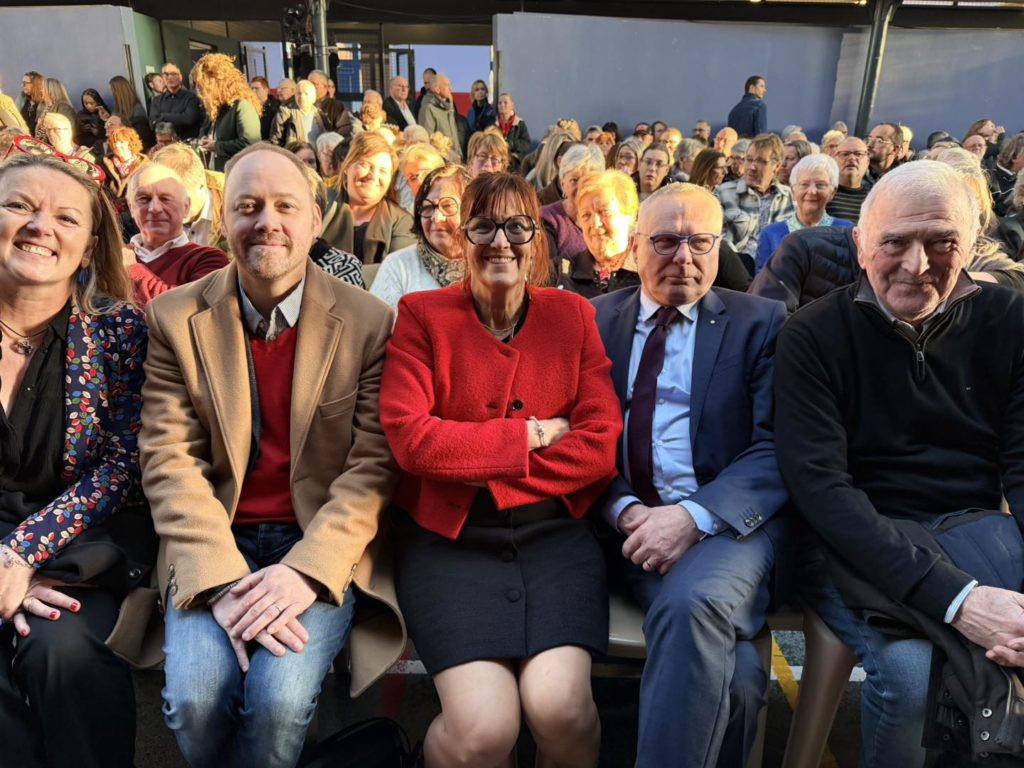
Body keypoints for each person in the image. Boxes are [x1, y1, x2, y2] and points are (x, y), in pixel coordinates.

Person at [141, 142, 404, 768]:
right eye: (248, 206)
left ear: (315, 220)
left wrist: (306, 570)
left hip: (317, 541)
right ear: (221, 218)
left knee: (278, 702)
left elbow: (372, 467)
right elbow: (169, 459)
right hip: (214, 535)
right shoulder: (174, 318)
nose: (267, 222)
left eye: (286, 206)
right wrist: (220, 576)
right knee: (195, 699)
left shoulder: (369, 322)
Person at [775, 160, 1024, 768]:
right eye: (895, 242)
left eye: (941, 242)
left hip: (975, 536)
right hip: (855, 547)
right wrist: (960, 601)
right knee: (914, 683)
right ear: (860, 244)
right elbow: (824, 493)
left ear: (972, 244)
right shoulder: (812, 334)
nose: (917, 265)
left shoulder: (1009, 320)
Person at [380, 170, 621, 768]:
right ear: (463, 237)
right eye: (483, 227)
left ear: (538, 238)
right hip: (450, 544)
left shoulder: (573, 316)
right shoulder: (421, 315)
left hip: (554, 540)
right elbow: (413, 442)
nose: (500, 243)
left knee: (561, 712)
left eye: (517, 227)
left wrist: (469, 458)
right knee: (484, 732)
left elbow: (598, 447)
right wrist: (532, 435)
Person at [592, 182, 787, 768]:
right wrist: (625, 510)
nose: (684, 257)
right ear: (633, 247)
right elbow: (578, 436)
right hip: (628, 532)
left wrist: (690, 518)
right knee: (740, 683)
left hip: (728, 528)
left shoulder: (761, 323)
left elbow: (776, 447)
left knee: (693, 606)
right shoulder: (593, 320)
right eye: (666, 241)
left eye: (701, 242)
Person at [0, 152, 149, 768]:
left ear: (89, 246)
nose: (40, 226)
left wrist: (19, 555)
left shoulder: (117, 331)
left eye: (65, 217)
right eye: (18, 206)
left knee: (60, 648)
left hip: (77, 543)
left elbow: (121, 466)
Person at [124, 163, 229, 305]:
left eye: (165, 199)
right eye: (144, 198)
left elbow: (185, 307)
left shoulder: (208, 259)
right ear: (131, 207)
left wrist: (133, 271)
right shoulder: (116, 256)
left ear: (186, 206)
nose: (155, 208)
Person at [371, 163, 471, 307]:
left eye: (448, 206)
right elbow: (379, 320)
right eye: (428, 207)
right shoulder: (398, 266)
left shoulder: (488, 263)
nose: (436, 217)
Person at [321, 131, 416, 263]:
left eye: (383, 171)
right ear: (346, 167)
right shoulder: (321, 203)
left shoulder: (402, 222)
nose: (373, 176)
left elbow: (398, 268)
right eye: (365, 165)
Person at [756, 154, 852, 273]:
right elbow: (763, 281)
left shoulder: (846, 231)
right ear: (793, 191)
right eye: (804, 184)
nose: (812, 191)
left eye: (820, 185)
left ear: (833, 192)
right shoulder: (771, 234)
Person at [555, 169, 641, 297]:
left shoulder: (647, 270)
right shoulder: (562, 272)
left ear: (630, 214)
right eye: (586, 215)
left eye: (604, 211)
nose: (595, 224)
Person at [715, 133, 794, 267]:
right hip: (734, 266)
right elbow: (717, 239)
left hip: (775, 268)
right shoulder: (724, 193)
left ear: (777, 166)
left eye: (761, 161)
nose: (752, 167)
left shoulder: (789, 197)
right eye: (749, 159)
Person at [191, 53, 262, 172]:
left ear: (217, 82)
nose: (200, 92)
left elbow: (251, 144)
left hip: (238, 175)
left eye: (202, 86)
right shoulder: (217, 108)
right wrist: (206, 141)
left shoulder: (242, 106)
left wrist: (216, 146)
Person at [541, 143, 604, 259]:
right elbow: (549, 267)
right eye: (575, 180)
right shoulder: (547, 219)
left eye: (588, 180)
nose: (581, 188)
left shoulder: (609, 218)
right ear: (562, 184)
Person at [149, 62, 204, 140]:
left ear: (180, 77)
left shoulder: (191, 97)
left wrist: (164, 116)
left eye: (174, 74)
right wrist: (178, 117)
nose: (170, 77)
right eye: (166, 74)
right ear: (163, 77)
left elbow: (189, 119)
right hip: (165, 144)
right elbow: (153, 123)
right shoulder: (157, 100)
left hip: (187, 143)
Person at [825, 136, 872, 224]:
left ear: (867, 161)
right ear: (834, 160)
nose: (852, 158)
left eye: (859, 154)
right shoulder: (823, 193)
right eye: (845, 154)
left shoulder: (874, 196)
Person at [271, 80, 328, 149]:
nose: (302, 97)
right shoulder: (285, 114)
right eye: (299, 93)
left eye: (306, 94)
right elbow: (275, 141)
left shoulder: (320, 115)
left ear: (313, 97)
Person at [102, 126, 149, 206]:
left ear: (131, 143)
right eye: (114, 142)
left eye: (121, 142)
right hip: (112, 207)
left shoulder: (145, 165)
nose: (117, 145)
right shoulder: (105, 165)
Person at [418, 74, 461, 160]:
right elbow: (428, 143)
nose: (451, 89)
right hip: (440, 164)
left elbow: (454, 138)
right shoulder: (428, 109)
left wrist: (459, 155)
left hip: (454, 162)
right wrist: (452, 157)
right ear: (437, 89)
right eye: (447, 85)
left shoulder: (448, 109)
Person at [108, 75, 155, 150]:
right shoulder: (118, 109)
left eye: (112, 90)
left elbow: (142, 135)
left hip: (136, 148)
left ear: (119, 92)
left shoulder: (137, 110)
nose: (111, 94)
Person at [307, 70, 354, 138]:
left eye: (313, 84)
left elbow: (342, 131)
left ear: (325, 86)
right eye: (308, 84)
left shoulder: (336, 106)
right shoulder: (303, 104)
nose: (309, 87)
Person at [34, 79, 77, 143]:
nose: (41, 90)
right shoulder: (44, 106)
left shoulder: (64, 108)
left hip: (54, 147)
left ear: (51, 90)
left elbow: (65, 132)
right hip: (41, 145)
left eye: (43, 88)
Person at [495, 92, 531, 169]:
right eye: (500, 103)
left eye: (505, 102)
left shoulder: (520, 123)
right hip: (498, 162)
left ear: (512, 105)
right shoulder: (493, 124)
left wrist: (511, 144)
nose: (502, 105)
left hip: (515, 164)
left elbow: (526, 144)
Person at [77, 88, 109, 158]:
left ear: (97, 102)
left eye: (92, 103)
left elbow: (105, 135)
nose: (88, 106)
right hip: (85, 150)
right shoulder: (81, 115)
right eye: (86, 103)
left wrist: (102, 119)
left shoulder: (105, 113)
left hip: (102, 150)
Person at [249, 75, 280, 141]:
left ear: (266, 90)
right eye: (251, 88)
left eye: (256, 88)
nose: (253, 91)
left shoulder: (275, 108)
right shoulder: (248, 108)